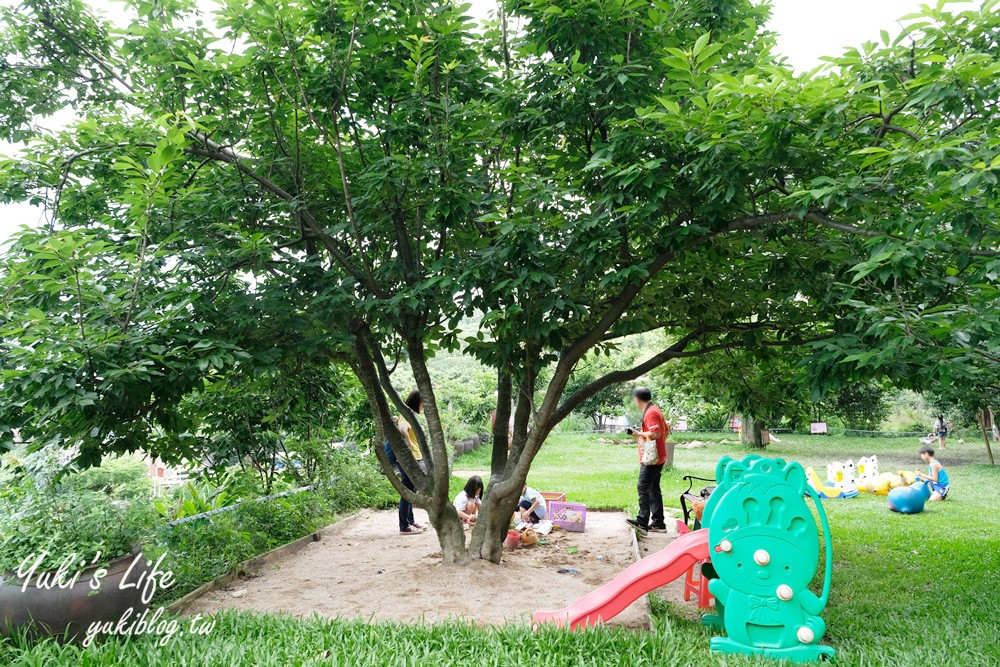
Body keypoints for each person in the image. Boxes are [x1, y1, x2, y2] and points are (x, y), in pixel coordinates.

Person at [626, 387, 669, 533]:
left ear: (637, 399)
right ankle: (658, 523)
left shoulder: (651, 412)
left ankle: (642, 521)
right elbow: (665, 431)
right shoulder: (655, 409)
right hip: (659, 456)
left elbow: (656, 433)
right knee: (653, 488)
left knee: (642, 486)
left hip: (652, 459)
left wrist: (638, 434)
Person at [384, 389, 426, 535]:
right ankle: (404, 526)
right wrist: (409, 443)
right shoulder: (406, 416)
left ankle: (410, 520)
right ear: (417, 402)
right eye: (423, 402)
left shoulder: (409, 415)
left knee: (411, 489)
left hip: (414, 456)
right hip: (409, 458)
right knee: (407, 490)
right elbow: (402, 428)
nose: (424, 406)